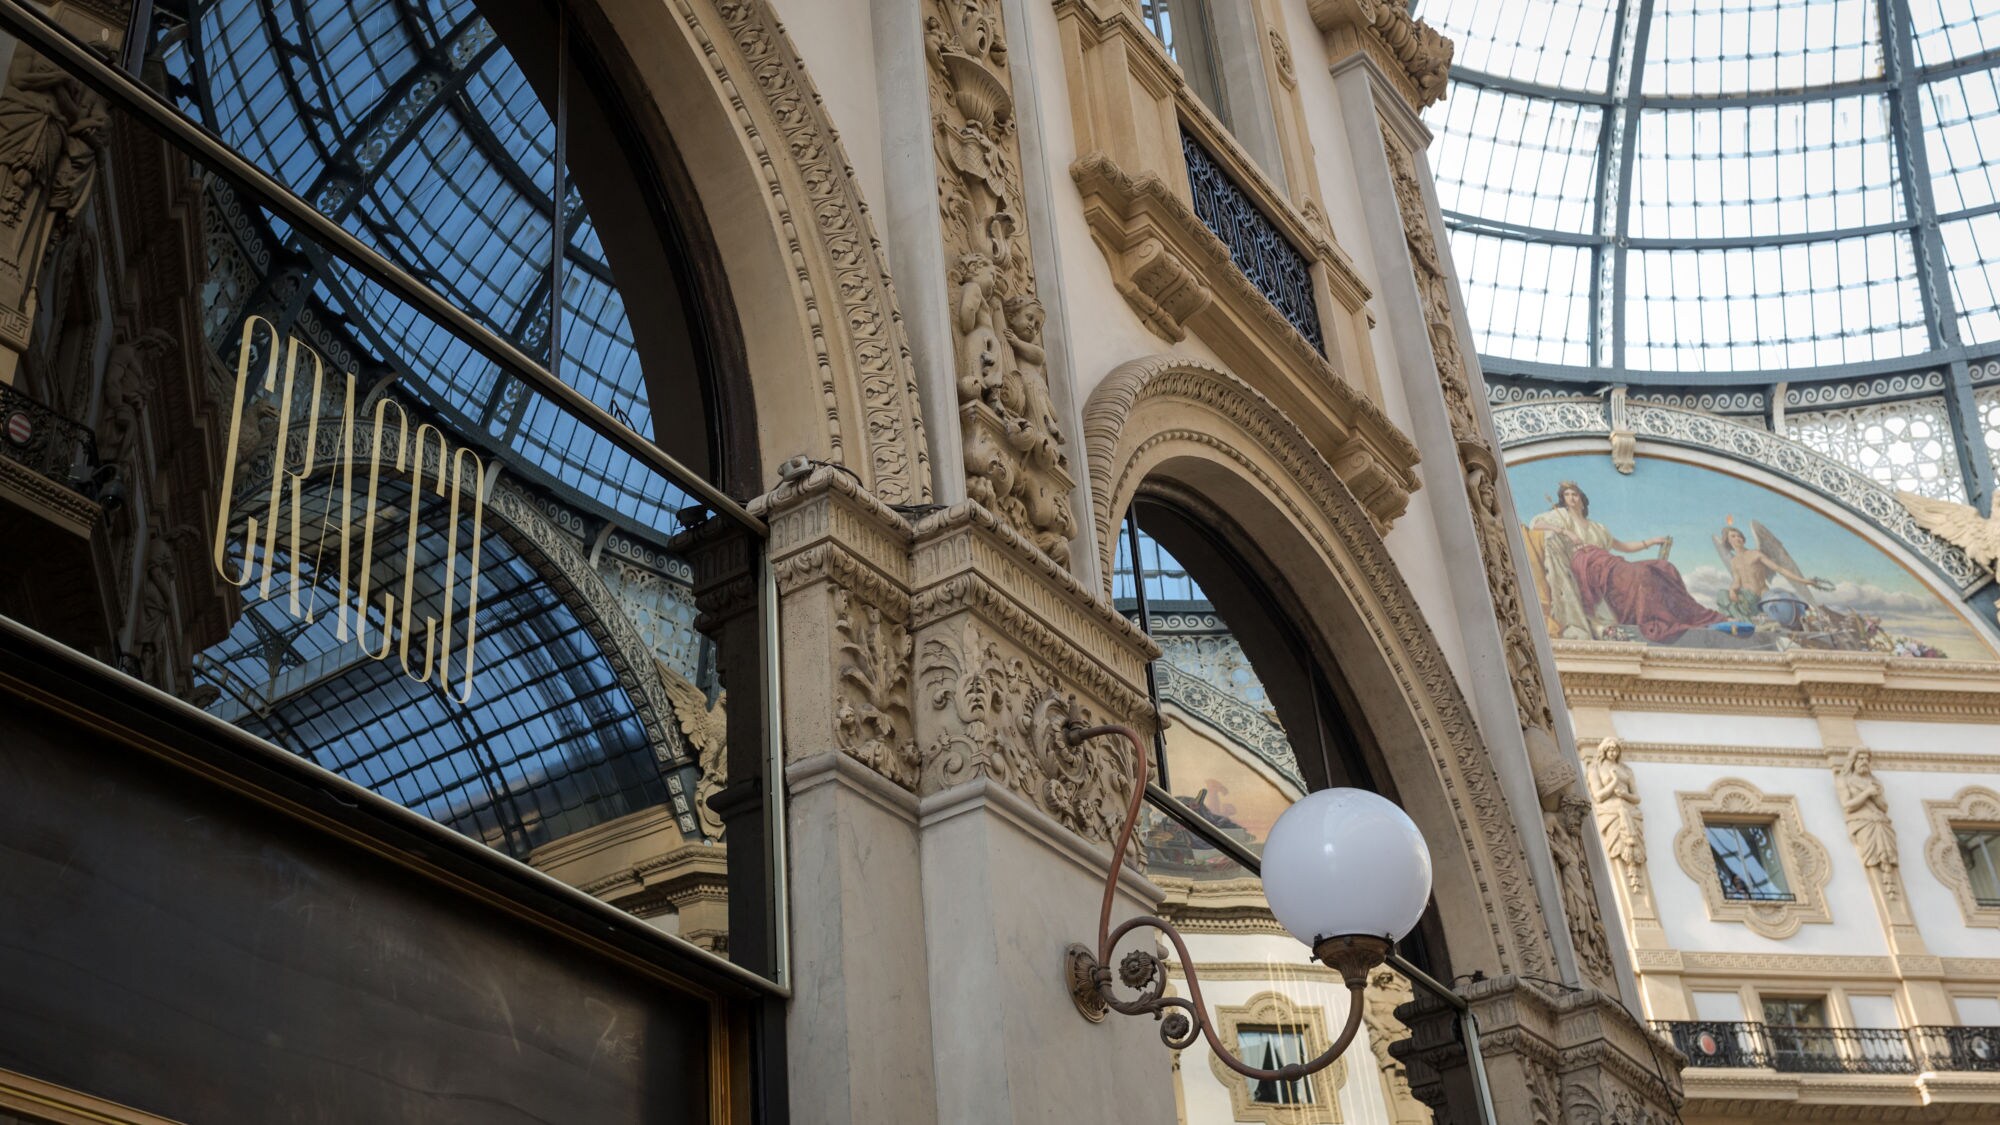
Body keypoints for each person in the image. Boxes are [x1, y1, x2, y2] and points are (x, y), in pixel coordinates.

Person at [1528, 482, 1726, 643]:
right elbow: (1536, 524)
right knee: (1642, 575)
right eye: (1567, 495)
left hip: (1608, 564)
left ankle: (1686, 616)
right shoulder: (1561, 516)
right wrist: (1565, 531)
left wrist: (1651, 541)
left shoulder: (1598, 527)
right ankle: (1652, 616)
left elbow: (1622, 546)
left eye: (1575, 494)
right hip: (1588, 567)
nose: (1571, 498)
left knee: (1662, 568)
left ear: (1581, 499)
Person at [1717, 524, 1832, 620]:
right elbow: (1737, 581)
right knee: (1722, 594)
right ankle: (1742, 622)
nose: (1738, 538)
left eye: (1739, 536)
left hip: (1761, 595)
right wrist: (1732, 590)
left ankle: (1746, 621)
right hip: (1746, 598)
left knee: (1778, 609)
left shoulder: (1755, 554)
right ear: (1728, 541)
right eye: (1733, 536)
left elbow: (1779, 569)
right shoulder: (1734, 561)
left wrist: (1803, 581)